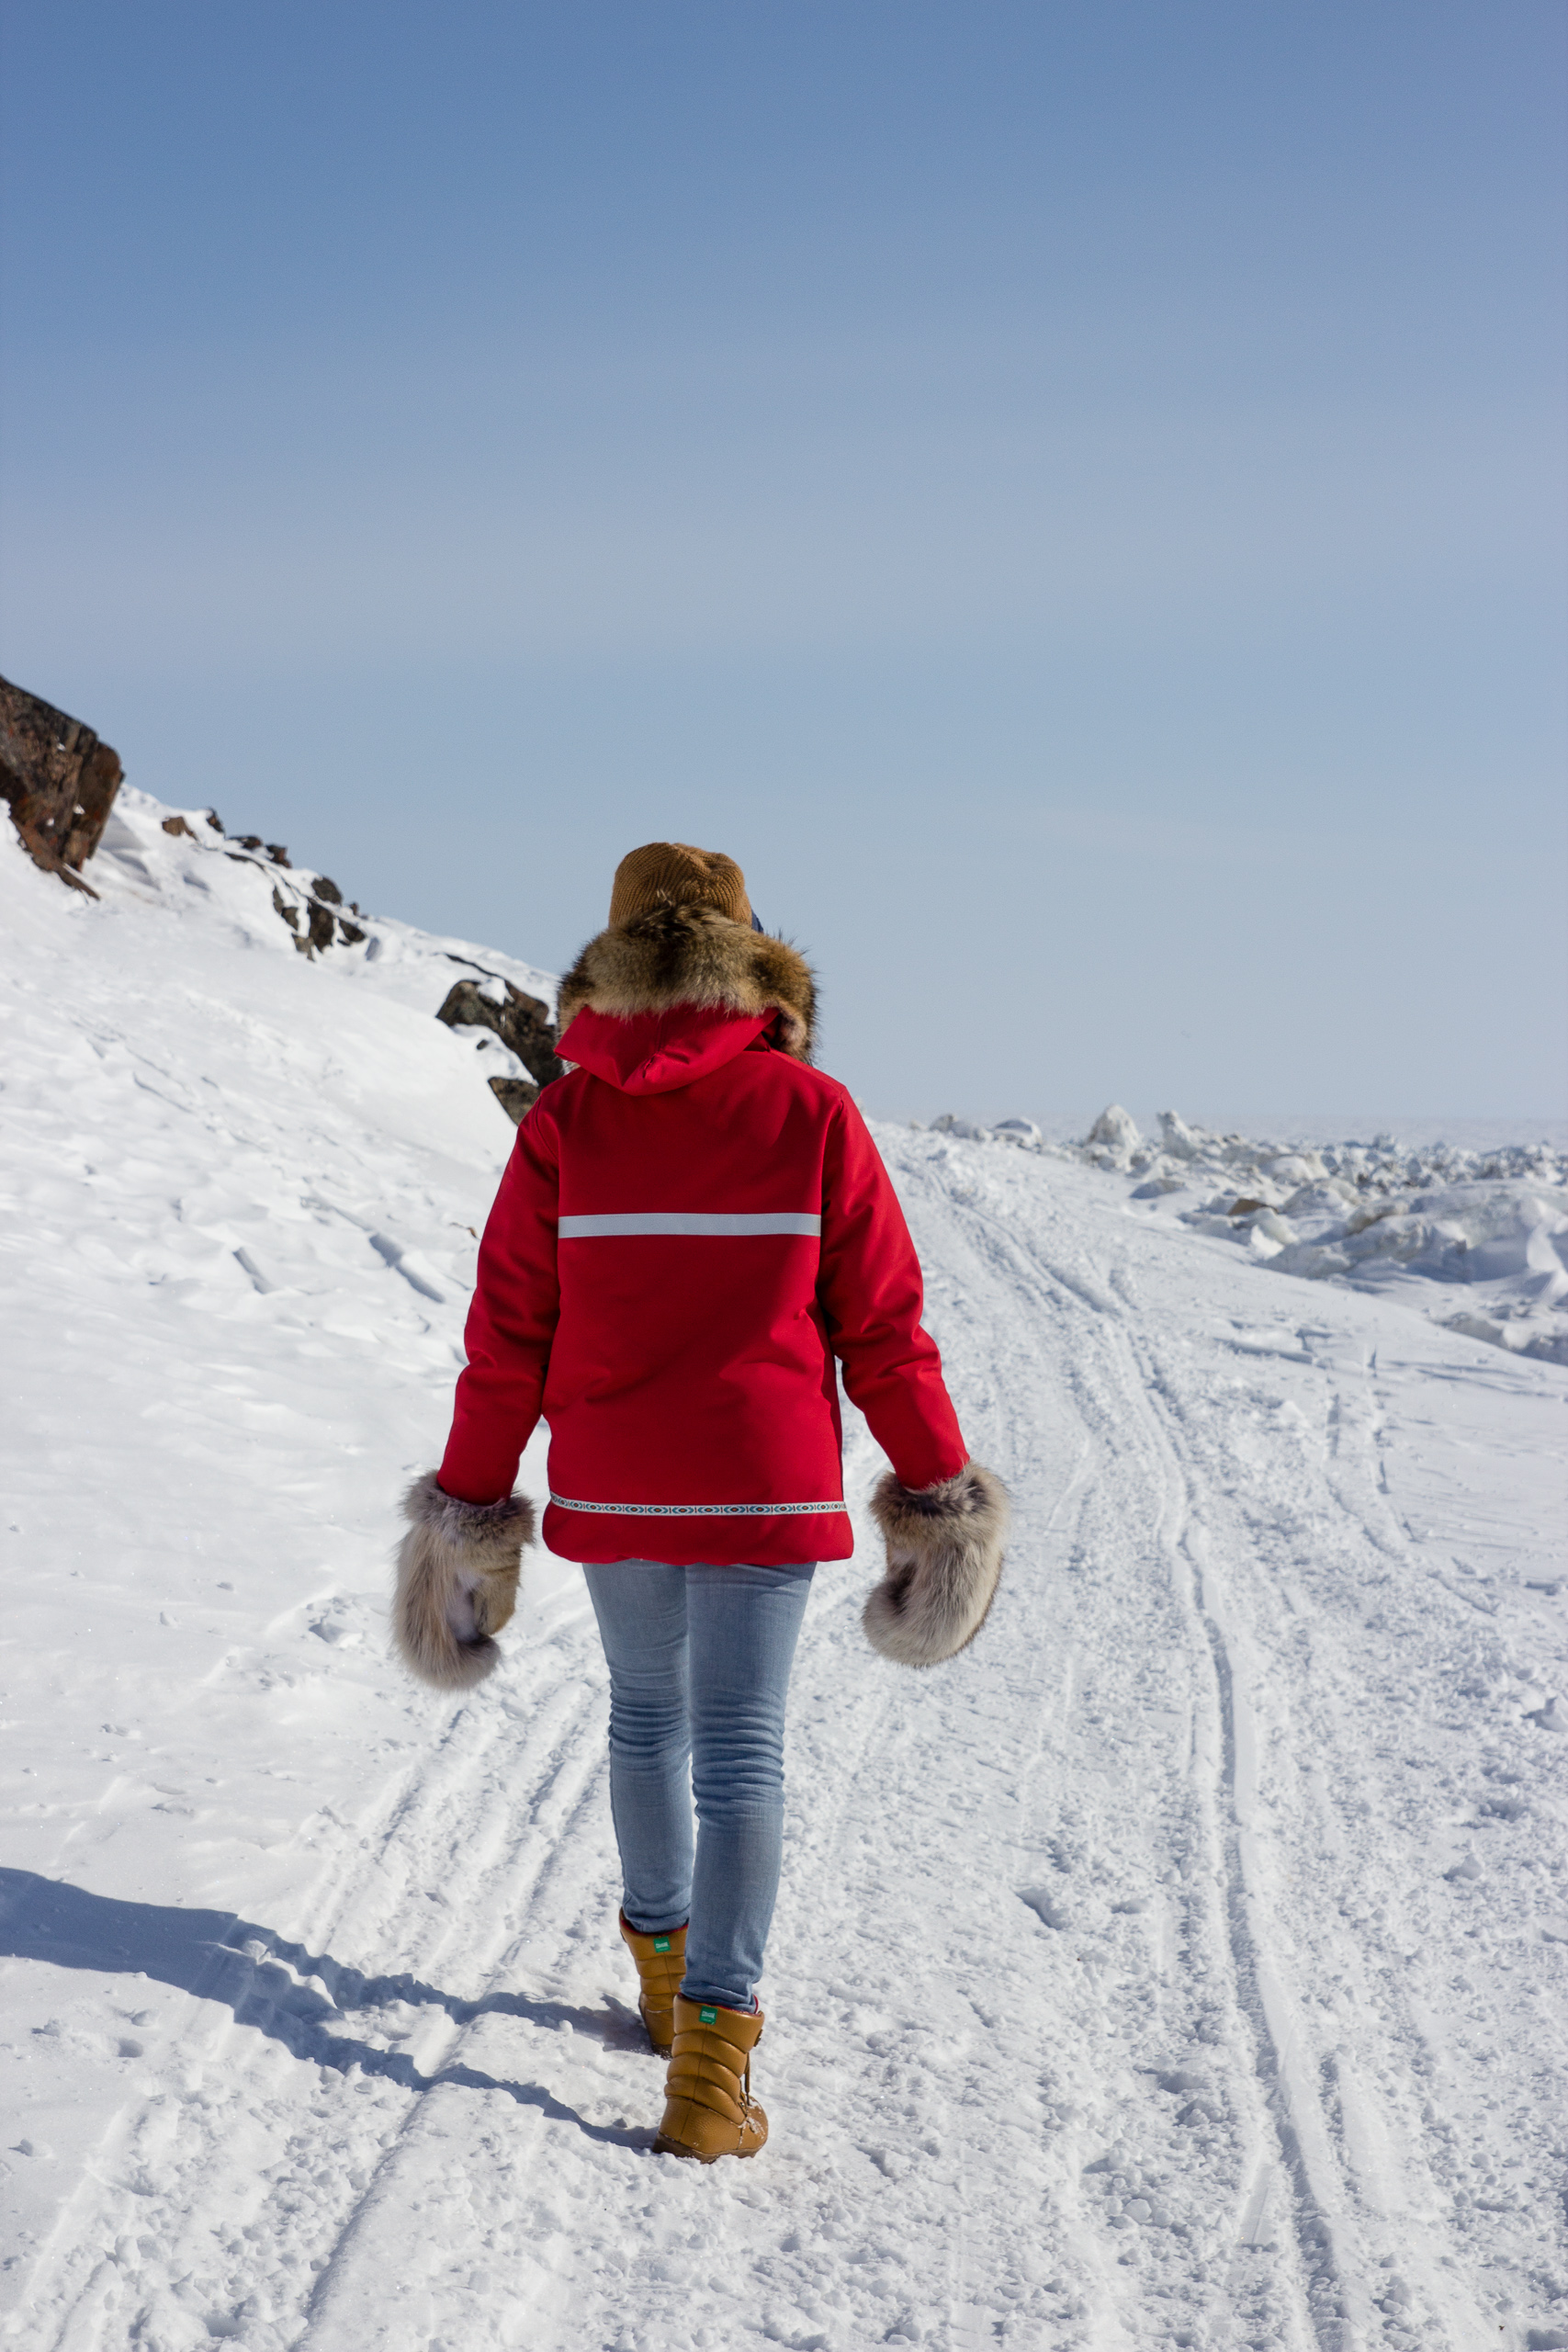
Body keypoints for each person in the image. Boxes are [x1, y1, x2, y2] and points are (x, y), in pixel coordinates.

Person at [391, 842, 1009, 2162]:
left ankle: (666, 1983)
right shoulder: (814, 1114)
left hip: (619, 1483)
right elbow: (887, 1332)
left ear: (608, 969)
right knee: (742, 1753)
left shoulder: (564, 1121)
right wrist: (939, 1493)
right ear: (755, 960)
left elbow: (507, 1336)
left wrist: (472, 1503)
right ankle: (713, 2069)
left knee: (645, 1719)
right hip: (763, 1484)